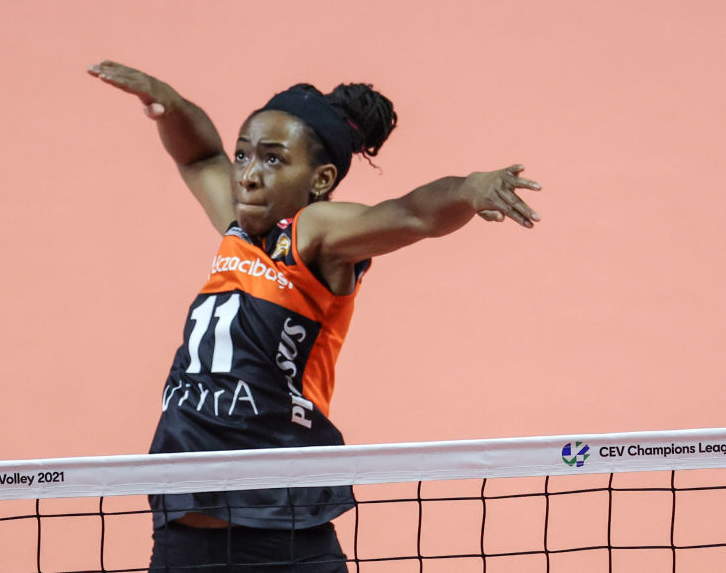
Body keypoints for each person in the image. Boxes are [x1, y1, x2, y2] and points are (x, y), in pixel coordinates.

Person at [87, 60, 541, 572]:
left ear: (321, 179)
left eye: (274, 160)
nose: (248, 175)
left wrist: (467, 189)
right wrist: (166, 102)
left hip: (283, 534)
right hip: (186, 541)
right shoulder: (239, 227)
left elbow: (408, 213)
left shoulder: (313, 234)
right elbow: (199, 157)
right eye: (245, 155)